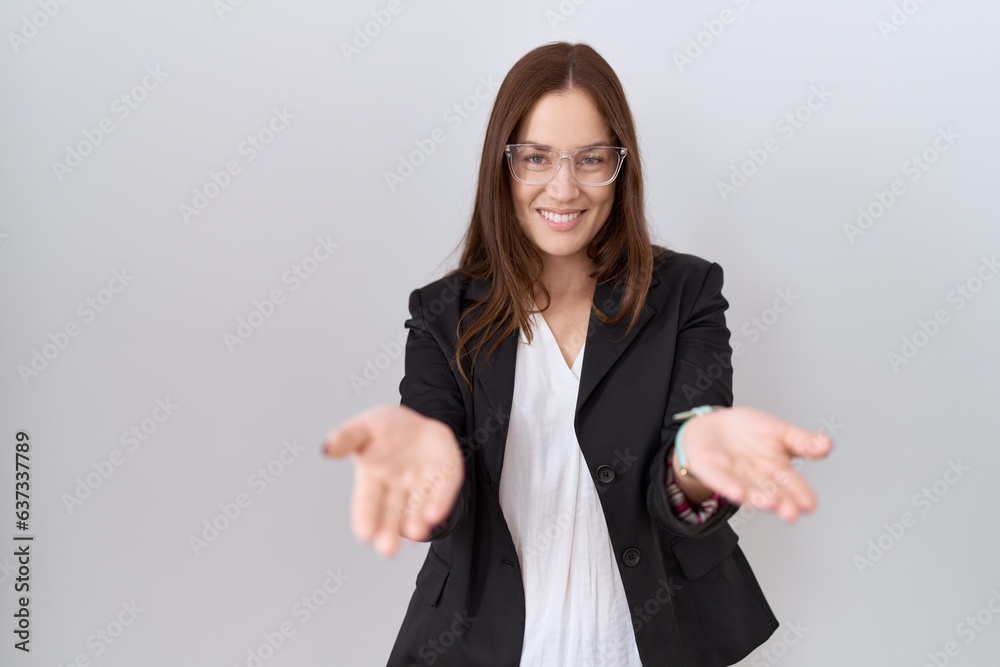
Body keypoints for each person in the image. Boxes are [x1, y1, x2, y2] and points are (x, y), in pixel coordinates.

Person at [322, 41, 834, 667]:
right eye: (535, 158)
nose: (563, 189)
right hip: (484, 644)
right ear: (502, 166)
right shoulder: (442, 314)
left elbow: (682, 497)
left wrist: (699, 463)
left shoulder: (686, 294)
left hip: (645, 639)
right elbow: (430, 508)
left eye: (591, 159)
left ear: (622, 168)